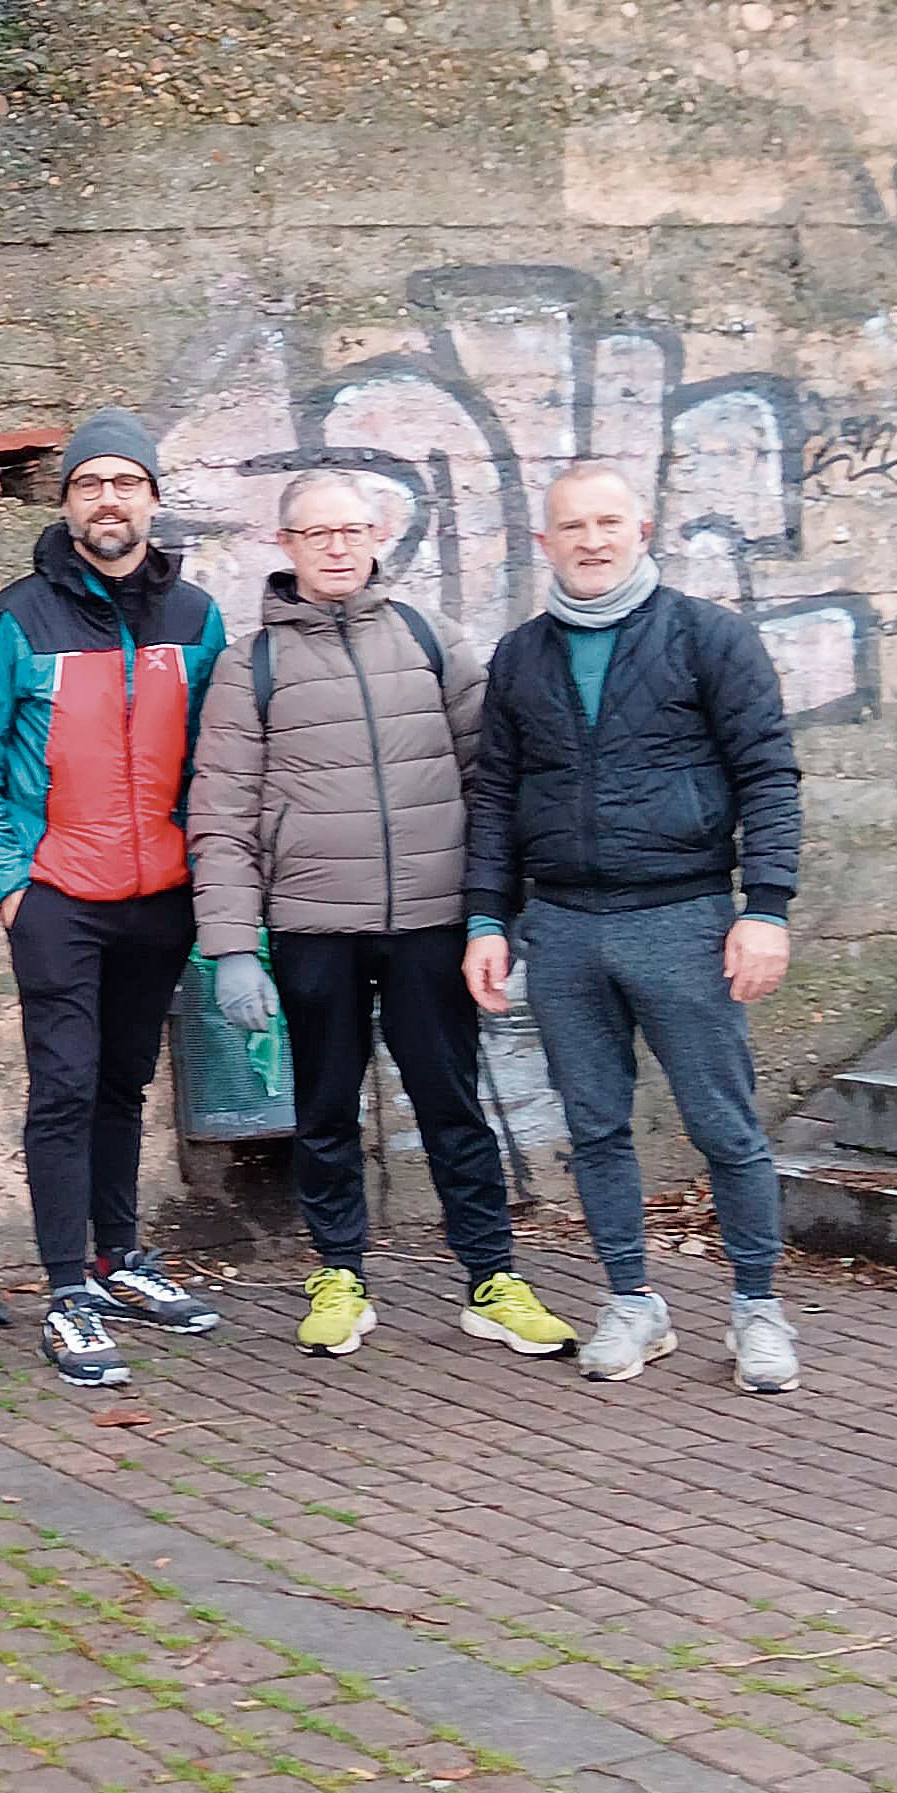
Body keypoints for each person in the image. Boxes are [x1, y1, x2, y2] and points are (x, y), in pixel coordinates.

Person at [188, 472, 568, 1361]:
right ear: (284, 546)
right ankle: (339, 1275)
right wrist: (235, 947)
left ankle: (491, 1277)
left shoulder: (432, 641)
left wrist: (493, 914)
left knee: (452, 1104)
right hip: (314, 926)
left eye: (351, 531)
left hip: (431, 922)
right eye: (316, 534)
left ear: (375, 538)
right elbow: (222, 814)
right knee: (324, 1110)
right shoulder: (252, 667)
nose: (336, 548)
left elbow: (491, 785)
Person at [463, 462, 806, 1392]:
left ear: (642, 528)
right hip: (563, 927)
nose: (592, 541)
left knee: (723, 1125)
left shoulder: (709, 640)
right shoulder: (522, 657)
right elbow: (495, 797)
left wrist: (765, 908)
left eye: (608, 522)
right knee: (596, 1126)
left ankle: (756, 1309)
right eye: (571, 526)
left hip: (686, 917)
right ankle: (632, 1301)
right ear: (545, 543)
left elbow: (768, 776)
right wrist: (487, 919)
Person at [0, 410, 230, 1390]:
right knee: (64, 1085)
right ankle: (68, 1289)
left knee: (122, 1084)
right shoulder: (15, 618)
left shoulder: (198, 619)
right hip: (59, 896)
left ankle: (119, 1260)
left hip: (162, 898)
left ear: (152, 497)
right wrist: (14, 888)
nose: (109, 499)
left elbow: (219, 760)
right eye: (89, 483)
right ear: (66, 503)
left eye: (126, 482)